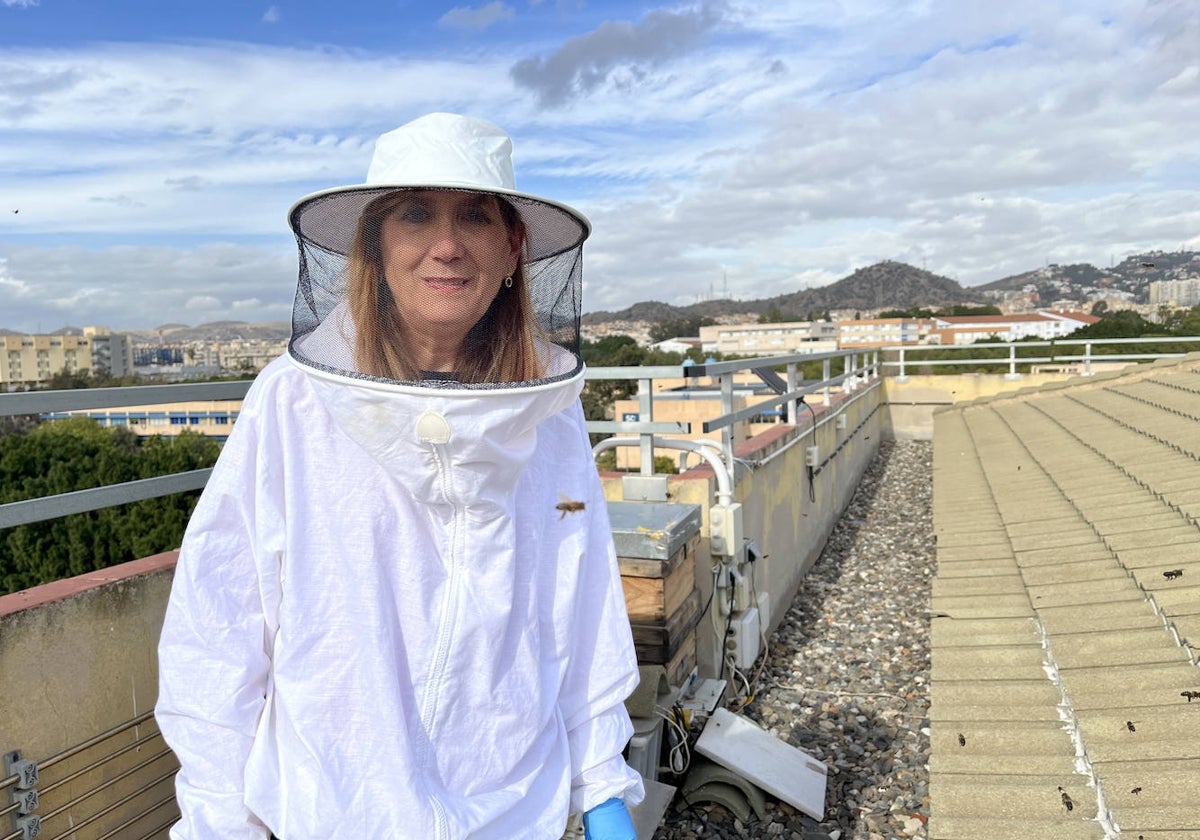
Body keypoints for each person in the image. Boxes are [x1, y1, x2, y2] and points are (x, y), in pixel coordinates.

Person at [155, 113, 644, 840]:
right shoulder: (292, 401)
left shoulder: (550, 412)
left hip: (511, 809)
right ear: (376, 244)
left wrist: (601, 780)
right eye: (416, 213)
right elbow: (219, 625)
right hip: (331, 812)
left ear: (512, 246)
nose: (445, 245)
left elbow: (580, 598)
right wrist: (220, 821)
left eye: (474, 215)